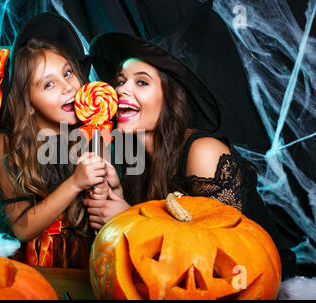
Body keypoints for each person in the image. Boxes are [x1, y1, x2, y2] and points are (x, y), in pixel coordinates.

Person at [84, 32, 300, 279]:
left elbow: (223, 257)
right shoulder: (137, 163)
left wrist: (128, 220)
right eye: (120, 81)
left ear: (171, 98)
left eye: (141, 82)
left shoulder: (204, 151)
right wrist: (119, 198)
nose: (121, 90)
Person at [0, 13, 109, 269]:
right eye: (49, 84)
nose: (68, 87)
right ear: (27, 105)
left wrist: (104, 192)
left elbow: (106, 213)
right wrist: (75, 182)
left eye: (68, 73)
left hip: (89, 259)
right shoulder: (5, 145)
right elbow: (22, 229)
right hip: (35, 264)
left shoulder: (93, 133)